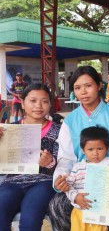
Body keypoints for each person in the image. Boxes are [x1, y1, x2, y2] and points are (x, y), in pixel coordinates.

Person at [48, 66, 109, 231]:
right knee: (56, 207)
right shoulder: (70, 121)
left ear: (99, 85)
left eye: (88, 85)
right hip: (78, 181)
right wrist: (60, 179)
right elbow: (66, 157)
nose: (83, 91)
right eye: (77, 88)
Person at [0, 83, 60, 231]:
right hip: (12, 182)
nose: (38, 106)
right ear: (22, 102)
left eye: (44, 101)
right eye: (33, 101)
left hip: (43, 182)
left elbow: (66, 161)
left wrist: (50, 162)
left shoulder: (59, 130)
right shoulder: (9, 130)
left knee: (29, 222)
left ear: (50, 104)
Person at [66, 126, 109, 231]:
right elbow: (68, 186)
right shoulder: (78, 167)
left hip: (99, 213)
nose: (95, 153)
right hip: (80, 212)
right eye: (90, 149)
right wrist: (75, 197)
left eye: (100, 149)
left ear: (107, 148)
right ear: (83, 150)